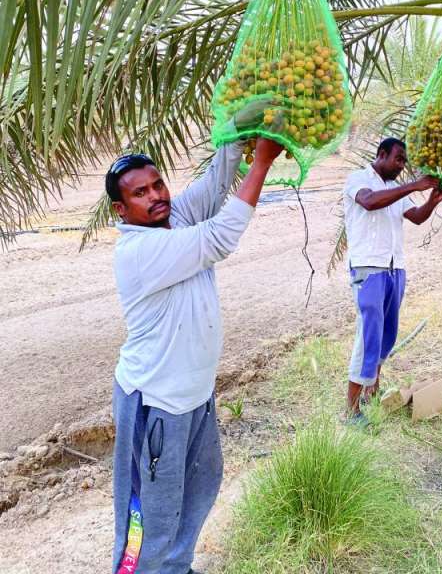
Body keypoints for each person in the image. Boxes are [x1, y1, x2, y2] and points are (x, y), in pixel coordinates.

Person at [106, 106, 283, 574]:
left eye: (157, 184)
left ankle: (176, 568)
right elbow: (221, 237)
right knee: (148, 516)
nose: (156, 196)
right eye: (140, 193)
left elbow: (215, 182)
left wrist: (243, 123)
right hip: (155, 406)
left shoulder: (172, 219)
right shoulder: (140, 250)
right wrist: (261, 162)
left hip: (194, 400)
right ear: (120, 211)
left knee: (198, 492)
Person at [343, 137, 442, 420]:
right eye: (398, 159)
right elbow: (368, 202)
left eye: (404, 161)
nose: (402, 166)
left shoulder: (394, 189)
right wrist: (414, 185)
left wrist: (432, 200)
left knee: (387, 336)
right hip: (369, 269)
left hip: (394, 269)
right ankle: (351, 410)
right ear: (381, 154)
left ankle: (371, 393)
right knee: (368, 336)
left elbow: (415, 216)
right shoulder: (358, 179)